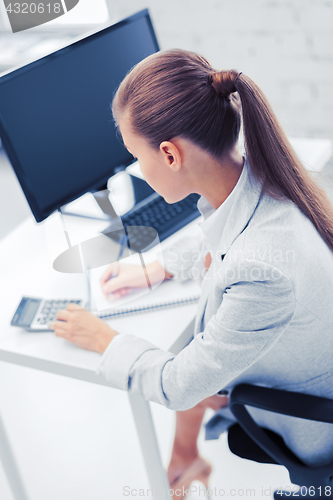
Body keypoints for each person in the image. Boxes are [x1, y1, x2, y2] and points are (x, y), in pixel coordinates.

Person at [50, 49, 333, 497]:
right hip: (302, 359)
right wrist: (162, 267)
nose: (136, 171)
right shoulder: (262, 170)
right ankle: (186, 459)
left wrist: (103, 339)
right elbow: (224, 232)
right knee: (193, 341)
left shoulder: (262, 270)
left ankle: (181, 463)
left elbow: (178, 386)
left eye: (134, 157)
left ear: (168, 154)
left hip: (312, 416)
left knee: (183, 359)